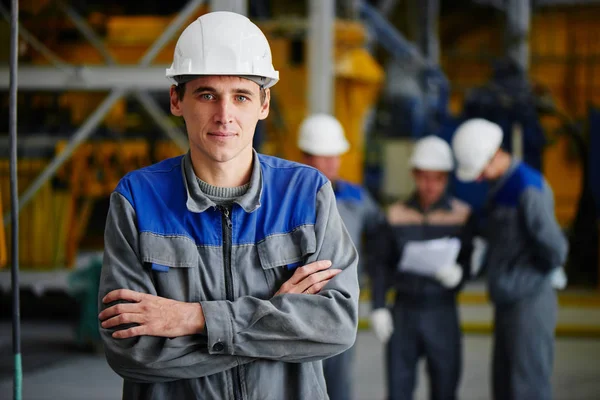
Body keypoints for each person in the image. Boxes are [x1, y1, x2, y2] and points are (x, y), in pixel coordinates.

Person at [97, 11, 359, 400]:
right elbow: (131, 351)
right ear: (176, 100)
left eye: (241, 96)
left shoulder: (306, 193)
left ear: (264, 104)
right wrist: (277, 322)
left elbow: (335, 326)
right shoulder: (137, 199)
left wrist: (193, 318)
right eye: (206, 95)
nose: (225, 116)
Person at [451, 118, 568, 400]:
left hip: (529, 301)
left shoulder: (527, 187)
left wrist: (531, 274)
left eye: (480, 171)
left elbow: (555, 248)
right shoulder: (501, 186)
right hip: (508, 298)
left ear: (495, 155)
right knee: (505, 385)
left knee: (527, 386)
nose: (478, 178)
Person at [370, 136, 473, 400]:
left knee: (445, 388)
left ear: (446, 178)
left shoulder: (461, 216)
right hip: (404, 311)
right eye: (424, 177)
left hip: (443, 311)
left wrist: (460, 275)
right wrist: (379, 306)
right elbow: (380, 264)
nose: (430, 186)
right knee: (398, 391)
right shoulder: (394, 215)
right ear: (414, 175)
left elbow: (470, 258)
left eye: (437, 178)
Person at [298, 113, 386, 400]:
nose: (332, 163)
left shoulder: (356, 197)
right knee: (300, 379)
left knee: (340, 380)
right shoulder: (289, 197)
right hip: (301, 302)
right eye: (324, 157)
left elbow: (380, 232)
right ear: (306, 157)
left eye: (335, 156)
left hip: (344, 299)